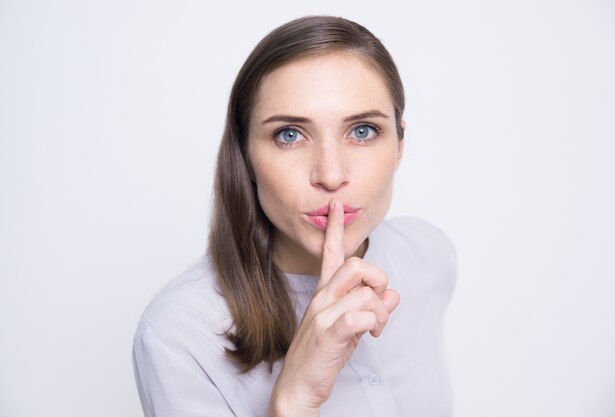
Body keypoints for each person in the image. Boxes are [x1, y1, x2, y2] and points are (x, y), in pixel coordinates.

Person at [132, 15, 457, 417]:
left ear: (400, 145)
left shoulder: (429, 255)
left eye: (362, 131)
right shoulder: (179, 334)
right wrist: (293, 399)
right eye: (289, 134)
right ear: (246, 157)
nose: (332, 175)